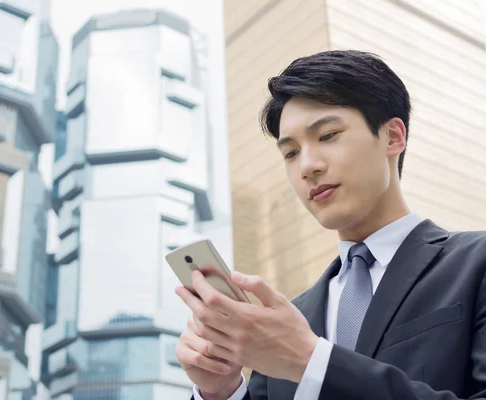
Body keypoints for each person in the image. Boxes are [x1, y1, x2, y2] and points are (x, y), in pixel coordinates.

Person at [174, 49, 486, 400]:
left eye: (327, 135)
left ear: (393, 137)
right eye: (290, 153)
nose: (307, 166)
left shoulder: (475, 264)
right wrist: (220, 390)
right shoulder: (287, 321)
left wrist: (312, 362)